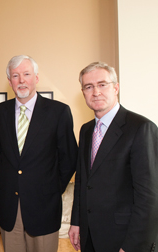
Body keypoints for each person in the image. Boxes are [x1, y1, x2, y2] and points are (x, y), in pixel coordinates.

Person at [69, 62, 158, 252]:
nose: (96, 92)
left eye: (102, 84)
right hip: (89, 236)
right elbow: (82, 181)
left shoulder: (141, 128)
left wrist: (132, 246)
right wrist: (76, 222)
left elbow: (149, 197)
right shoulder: (86, 130)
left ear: (116, 87)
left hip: (124, 239)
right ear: (83, 92)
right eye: (88, 87)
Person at [0, 55, 78, 252]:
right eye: (15, 75)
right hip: (9, 207)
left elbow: (70, 158)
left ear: (36, 78)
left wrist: (53, 188)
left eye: (26, 74)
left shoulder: (58, 112)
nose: (21, 80)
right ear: (10, 81)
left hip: (44, 207)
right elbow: (2, 155)